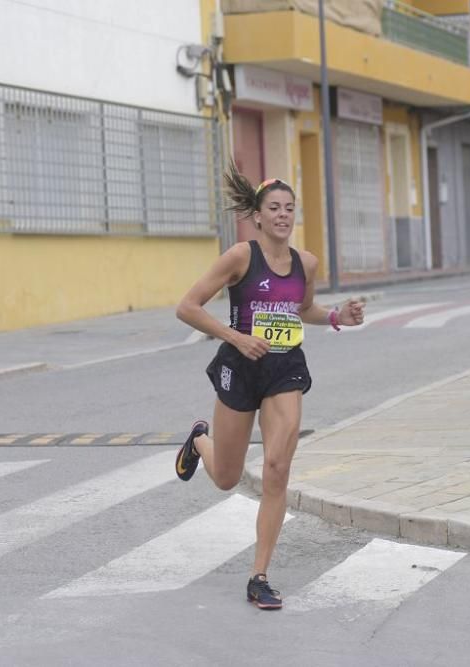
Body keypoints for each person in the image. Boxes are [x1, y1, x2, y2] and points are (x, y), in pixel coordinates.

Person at [174, 166, 365, 610]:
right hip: (240, 367)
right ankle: (200, 440)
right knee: (225, 477)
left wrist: (337, 317)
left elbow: (303, 309)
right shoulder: (240, 256)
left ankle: (259, 575)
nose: (282, 215)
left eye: (289, 209)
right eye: (273, 209)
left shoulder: (307, 263)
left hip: (284, 370)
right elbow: (187, 307)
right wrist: (236, 337)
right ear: (257, 217)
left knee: (278, 467)